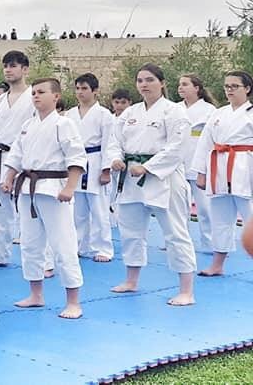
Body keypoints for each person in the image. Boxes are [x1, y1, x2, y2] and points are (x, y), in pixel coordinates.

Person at [105, 64, 196, 305]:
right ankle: (131, 280)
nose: (144, 84)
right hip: (132, 177)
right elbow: (114, 139)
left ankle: (186, 290)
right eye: (140, 80)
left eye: (150, 79)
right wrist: (115, 159)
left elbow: (178, 146)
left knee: (175, 232)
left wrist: (148, 167)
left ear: (162, 83)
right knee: (131, 231)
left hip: (164, 177)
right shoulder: (130, 112)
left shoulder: (174, 111)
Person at [2, 78, 86, 319]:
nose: (36, 96)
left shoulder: (64, 124)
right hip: (28, 187)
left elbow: (76, 157)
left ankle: (73, 301)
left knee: (63, 244)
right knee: (29, 243)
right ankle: (36, 294)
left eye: (41, 92)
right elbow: (17, 154)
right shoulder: (28, 125)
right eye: (34, 93)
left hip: (53, 188)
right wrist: (8, 177)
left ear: (56, 97)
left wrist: (70, 187)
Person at [192, 71, 253, 276]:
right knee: (220, 218)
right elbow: (204, 143)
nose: (229, 90)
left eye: (235, 86)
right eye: (227, 86)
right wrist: (201, 172)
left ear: (247, 89)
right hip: (219, 167)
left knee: (251, 217)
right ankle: (217, 265)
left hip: (246, 168)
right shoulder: (218, 114)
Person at [0, 51, 34, 268]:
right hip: (0, 156)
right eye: (5, 66)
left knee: (29, 208)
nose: (8, 70)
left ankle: (41, 260)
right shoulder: (1, 99)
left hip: (25, 158)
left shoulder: (33, 97)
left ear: (25, 69)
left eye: (13, 65)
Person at [66, 73, 116, 262]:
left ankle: (103, 248)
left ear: (95, 91)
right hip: (75, 163)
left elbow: (109, 143)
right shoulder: (70, 114)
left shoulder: (104, 115)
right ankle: (81, 245)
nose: (80, 92)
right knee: (77, 210)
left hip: (96, 161)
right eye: (77, 88)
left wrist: (106, 169)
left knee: (99, 210)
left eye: (84, 88)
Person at [177, 74, 217, 254]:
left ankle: (210, 242)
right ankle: (179, 240)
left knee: (205, 208)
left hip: (200, 164)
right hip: (178, 164)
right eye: (180, 85)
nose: (181, 88)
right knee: (178, 208)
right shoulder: (174, 109)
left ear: (197, 88)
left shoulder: (210, 111)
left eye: (185, 84)